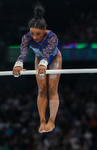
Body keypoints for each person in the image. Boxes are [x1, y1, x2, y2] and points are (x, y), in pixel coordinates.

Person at [12, 3, 62, 133]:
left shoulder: (52, 37)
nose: (34, 37)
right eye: (32, 33)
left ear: (44, 29)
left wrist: (44, 62)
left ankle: (51, 120)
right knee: (41, 89)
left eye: (38, 34)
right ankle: (42, 121)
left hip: (54, 58)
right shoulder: (26, 38)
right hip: (39, 59)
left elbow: (48, 51)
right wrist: (18, 65)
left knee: (52, 88)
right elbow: (23, 53)